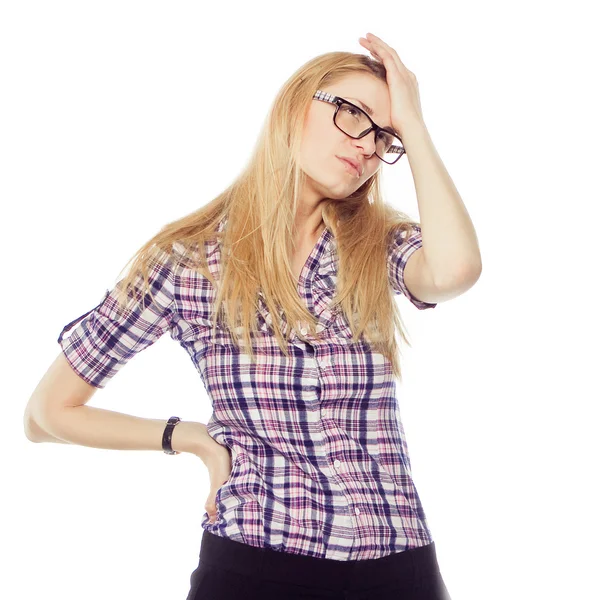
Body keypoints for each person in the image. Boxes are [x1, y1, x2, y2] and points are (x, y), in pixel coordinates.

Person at [24, 34, 481, 599]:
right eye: (354, 116)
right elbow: (45, 414)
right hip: (257, 569)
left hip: (400, 570)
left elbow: (456, 269)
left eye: (386, 136)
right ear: (296, 104)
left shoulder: (378, 245)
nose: (367, 146)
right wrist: (188, 437)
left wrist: (415, 123)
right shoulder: (186, 261)